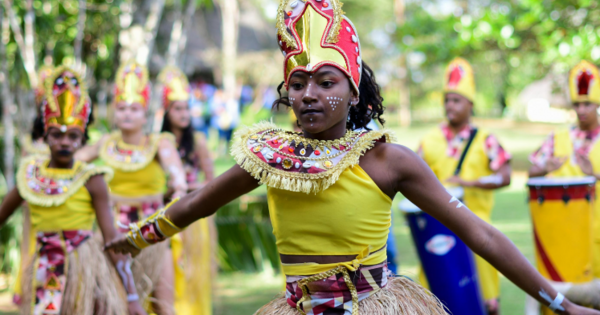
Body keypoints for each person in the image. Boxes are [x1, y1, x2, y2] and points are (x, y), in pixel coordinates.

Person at [107, 1, 599, 314]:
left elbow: (481, 233)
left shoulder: (389, 162)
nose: (309, 95)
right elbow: (195, 204)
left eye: (326, 82)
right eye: (297, 84)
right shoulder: (271, 157)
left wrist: (557, 301)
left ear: (354, 90)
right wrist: (128, 242)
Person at [0, 67, 145, 315]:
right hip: (45, 268)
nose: (65, 142)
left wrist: (131, 297)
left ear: (83, 140)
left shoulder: (92, 179)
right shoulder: (30, 176)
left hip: (86, 269)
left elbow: (111, 239)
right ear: (45, 137)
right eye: (56, 135)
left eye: (73, 136)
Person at [75, 61, 187, 315]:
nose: (127, 113)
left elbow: (178, 179)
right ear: (114, 112)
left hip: (153, 239)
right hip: (112, 238)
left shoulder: (159, 144)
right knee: (110, 305)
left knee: (163, 306)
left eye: (134, 109)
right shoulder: (105, 143)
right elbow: (71, 164)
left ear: (145, 114)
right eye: (122, 108)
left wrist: (177, 197)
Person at [416, 57, 511, 314]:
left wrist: (468, 183)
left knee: (485, 306)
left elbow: (505, 176)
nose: (450, 105)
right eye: (447, 100)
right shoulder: (429, 140)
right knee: (433, 304)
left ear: (470, 104)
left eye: (457, 100)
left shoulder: (486, 140)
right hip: (438, 235)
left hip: (478, 236)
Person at [529, 60, 600, 308]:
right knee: (564, 300)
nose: (582, 110)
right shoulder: (557, 138)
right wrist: (543, 168)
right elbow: (531, 175)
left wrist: (596, 175)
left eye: (587, 104)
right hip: (564, 238)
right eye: (577, 104)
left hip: (598, 238)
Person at [158, 65, 216, 315]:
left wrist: (189, 187)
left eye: (186, 108)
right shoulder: (158, 143)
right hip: (166, 214)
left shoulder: (199, 142)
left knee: (193, 274)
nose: (184, 113)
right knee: (169, 273)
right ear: (167, 112)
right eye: (177, 108)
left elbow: (213, 182)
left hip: (194, 217)